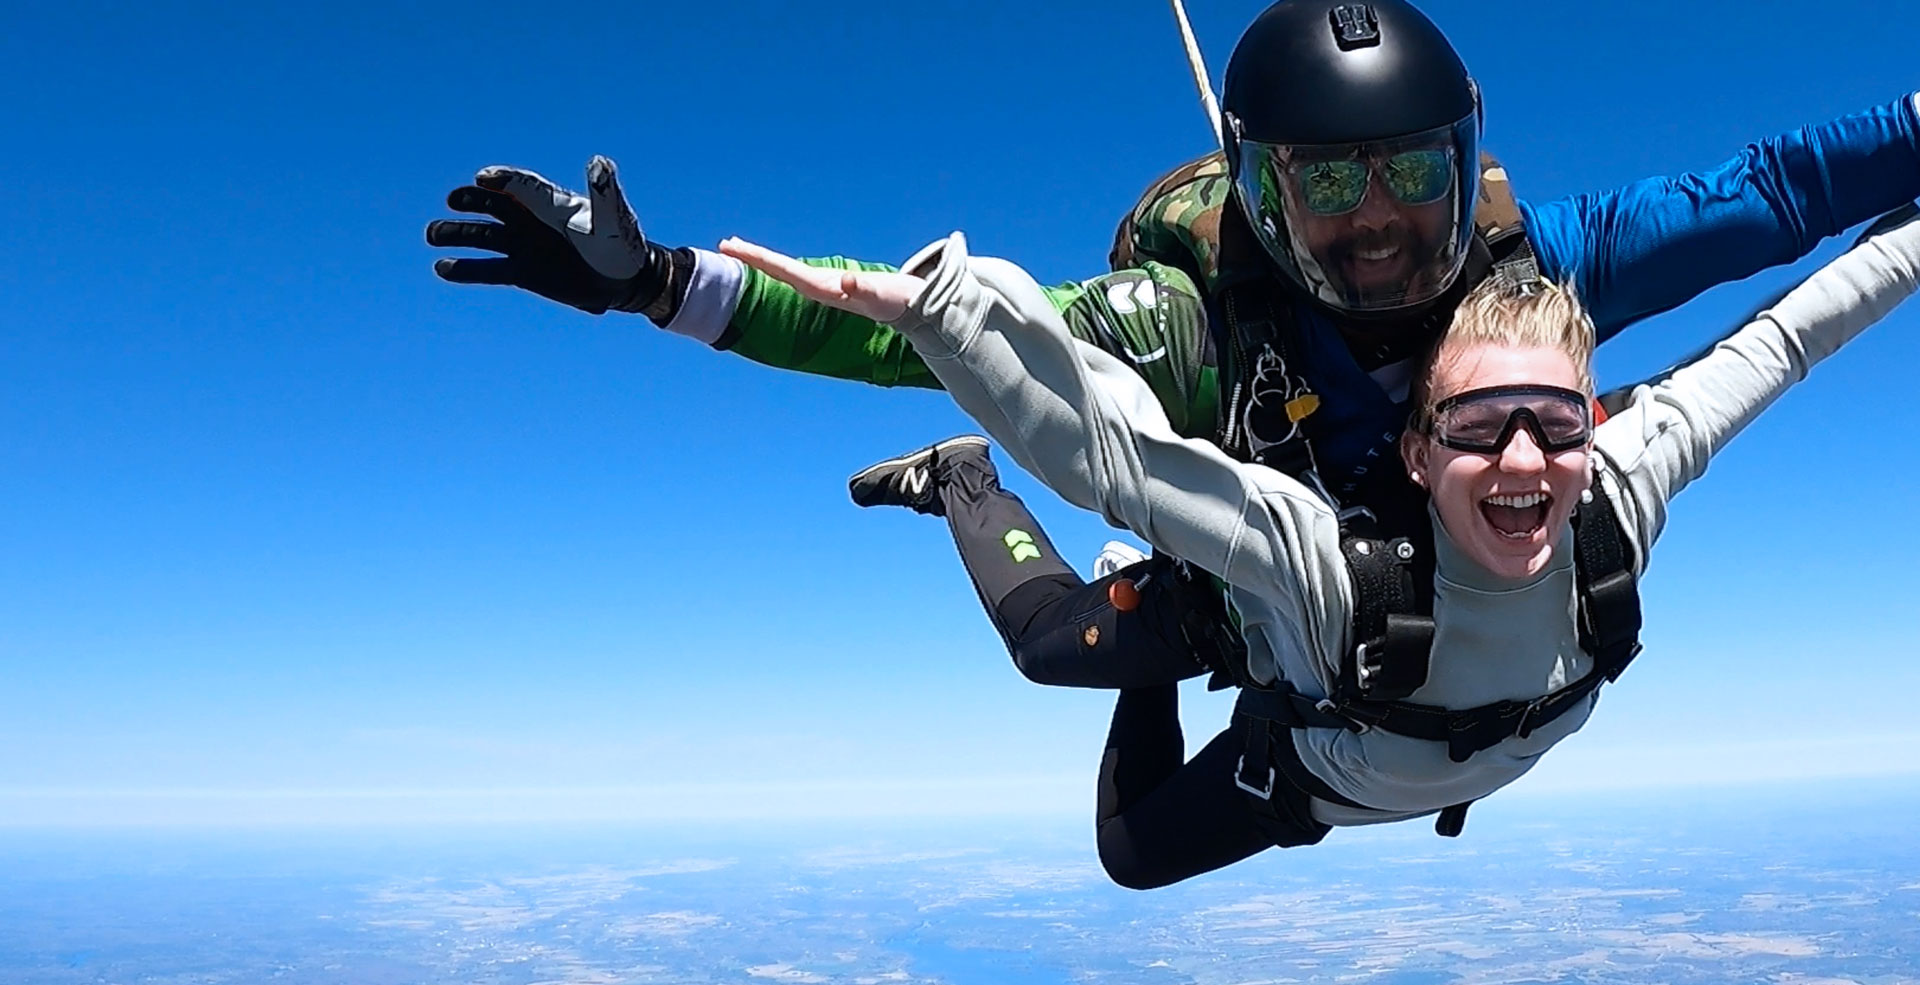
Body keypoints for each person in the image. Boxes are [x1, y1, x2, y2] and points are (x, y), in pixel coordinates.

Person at [426, 0, 1920, 698]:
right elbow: (933, 333)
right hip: (1248, 582)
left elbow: (1775, 195)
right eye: (1325, 190)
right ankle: (964, 496)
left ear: (1469, 167)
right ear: (1264, 199)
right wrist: (669, 286)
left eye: (1410, 175)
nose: (1384, 227)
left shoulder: (1543, 273)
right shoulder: (1191, 326)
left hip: (1407, 571)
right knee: (1054, 657)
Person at [717, 203, 1920, 887]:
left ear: (1591, 427)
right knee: (1073, 703)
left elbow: (1791, 339)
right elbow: (1111, 459)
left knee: (1137, 822)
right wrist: (948, 319)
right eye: (1475, 427)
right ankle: (960, 478)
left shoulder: (1617, 491)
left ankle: (1158, 609)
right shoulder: (1320, 562)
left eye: (1553, 424)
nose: (1520, 462)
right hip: (1303, 745)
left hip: (1346, 740)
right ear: (1413, 449)